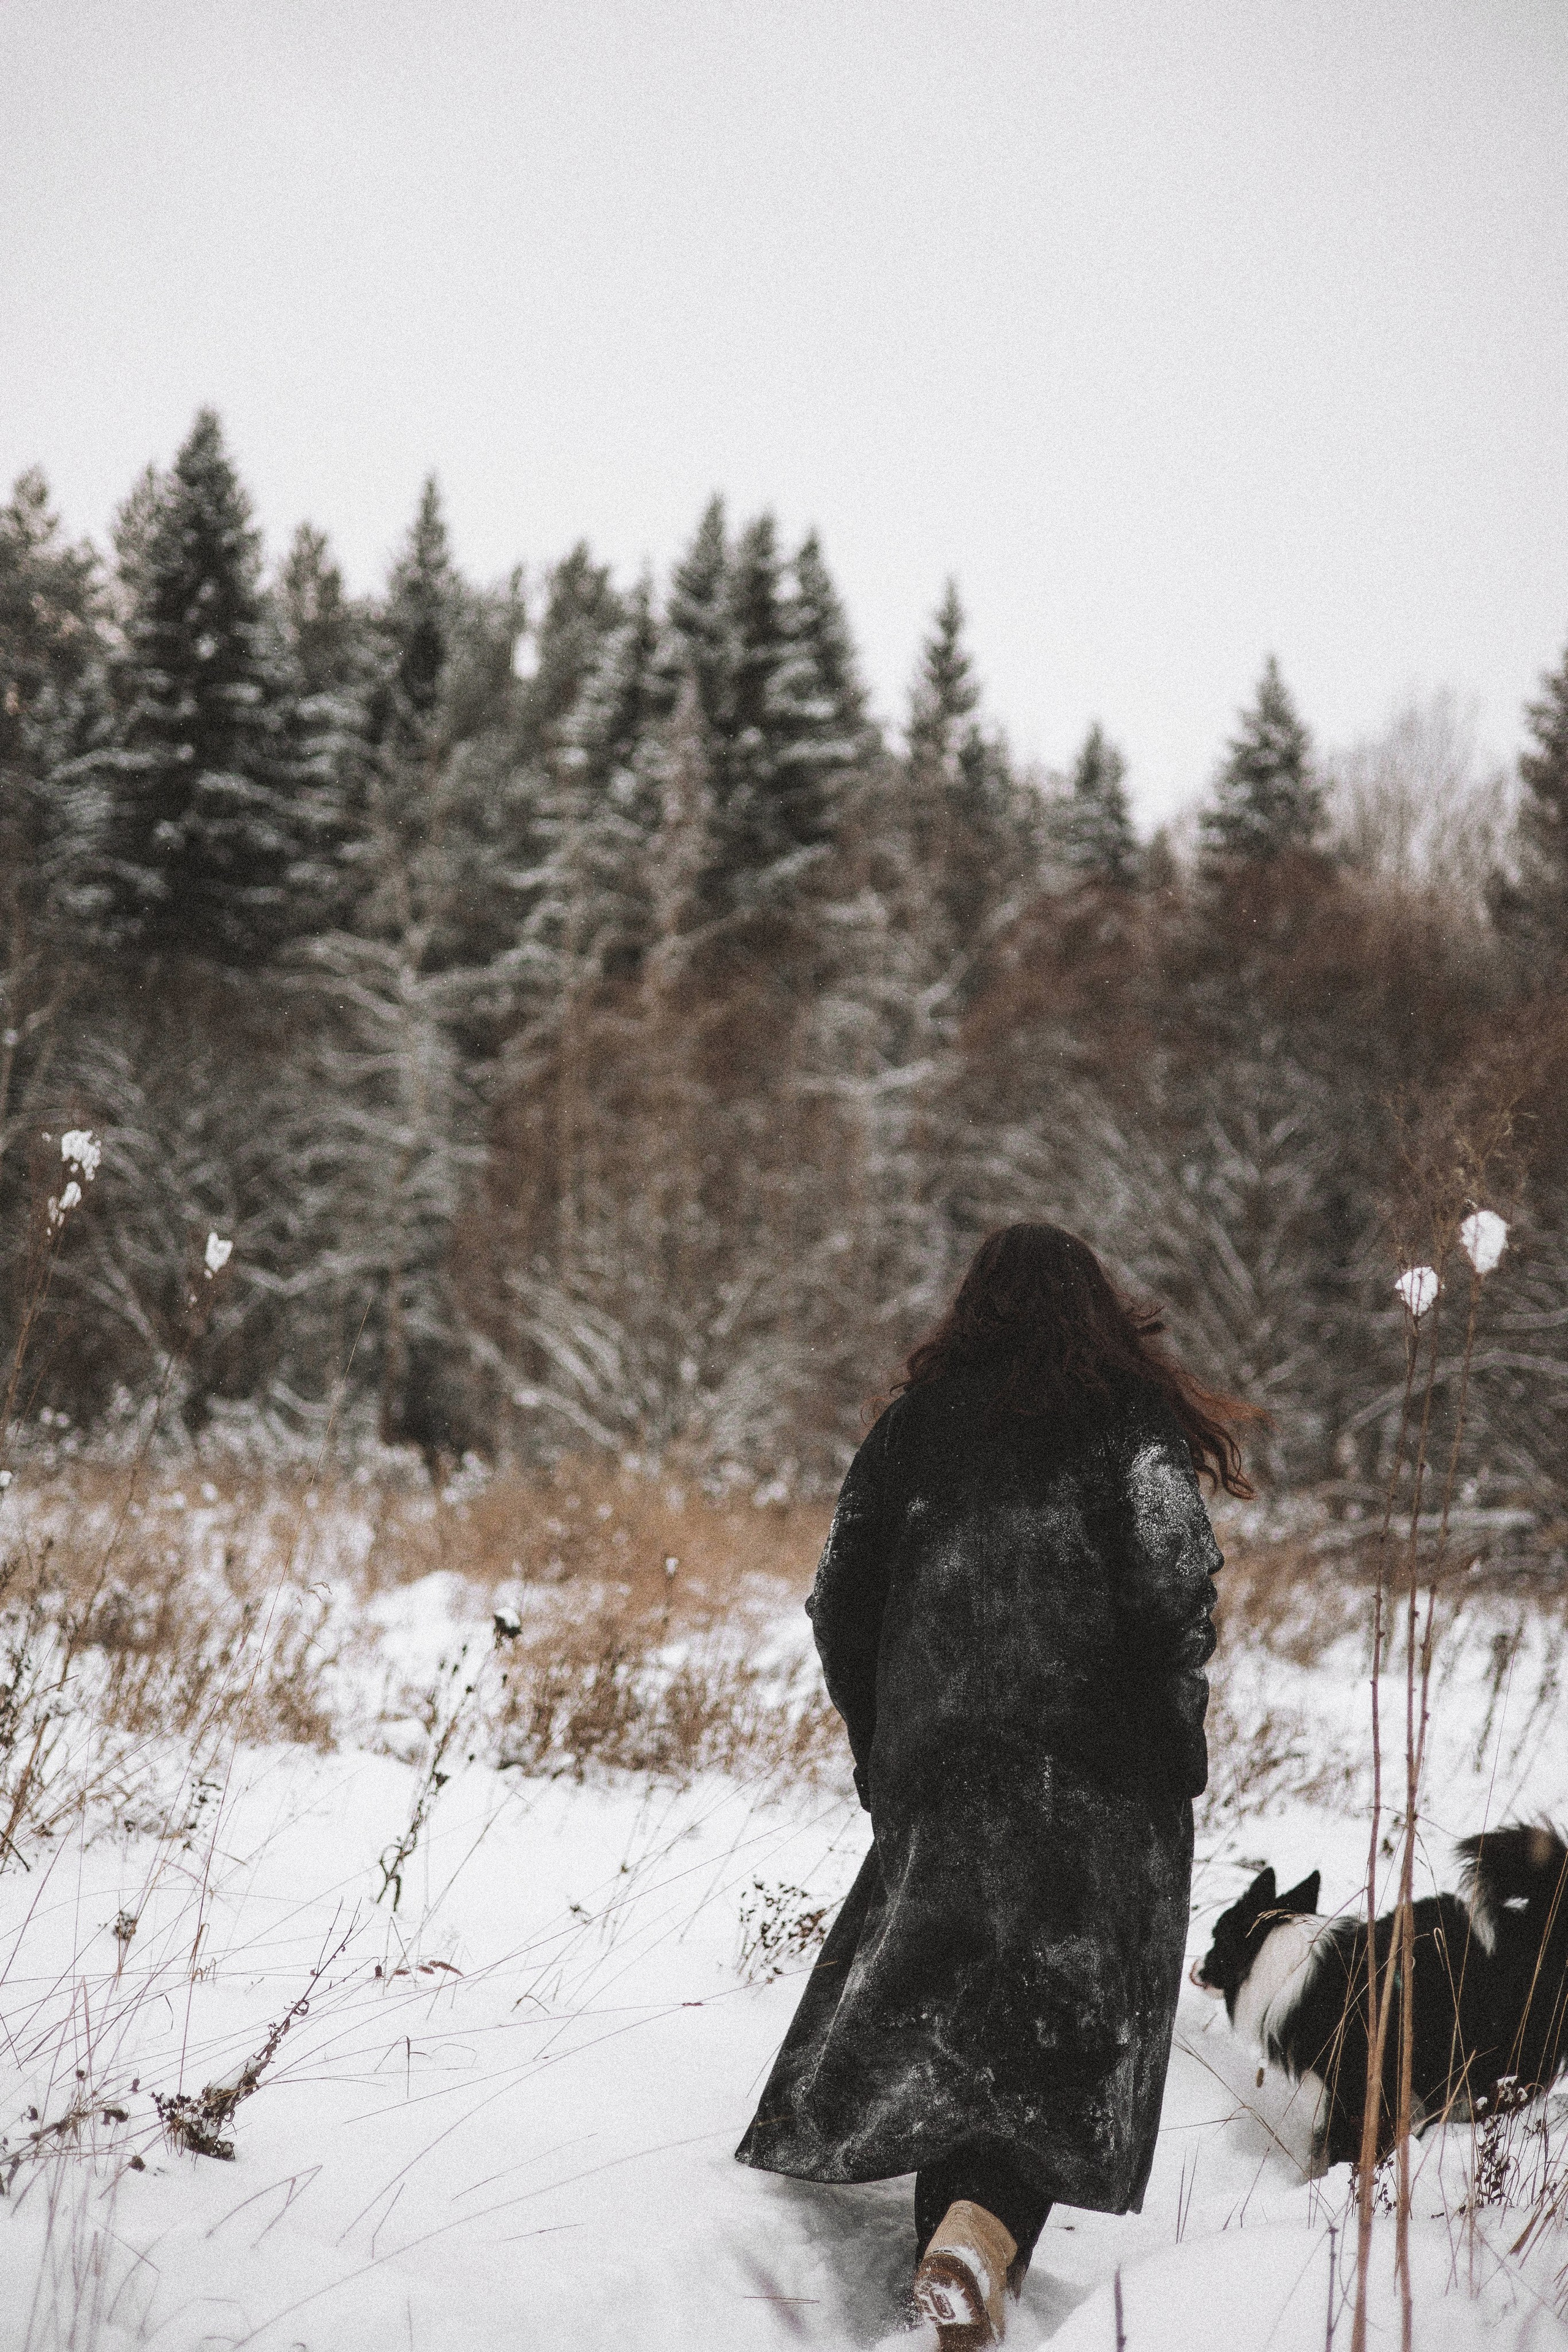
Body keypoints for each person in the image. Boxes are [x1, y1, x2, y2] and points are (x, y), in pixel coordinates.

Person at [736, 1223, 1264, 2346]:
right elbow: (1178, 1595)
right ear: (1098, 1311)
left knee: (953, 2037)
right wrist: (1172, 1745)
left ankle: (956, 2278)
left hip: (947, 1781)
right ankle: (974, 2253)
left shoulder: (914, 1431)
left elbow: (841, 1599)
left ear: (970, 1309)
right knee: (1056, 2051)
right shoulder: (1127, 1426)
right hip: (1101, 1792)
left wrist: (889, 1746)